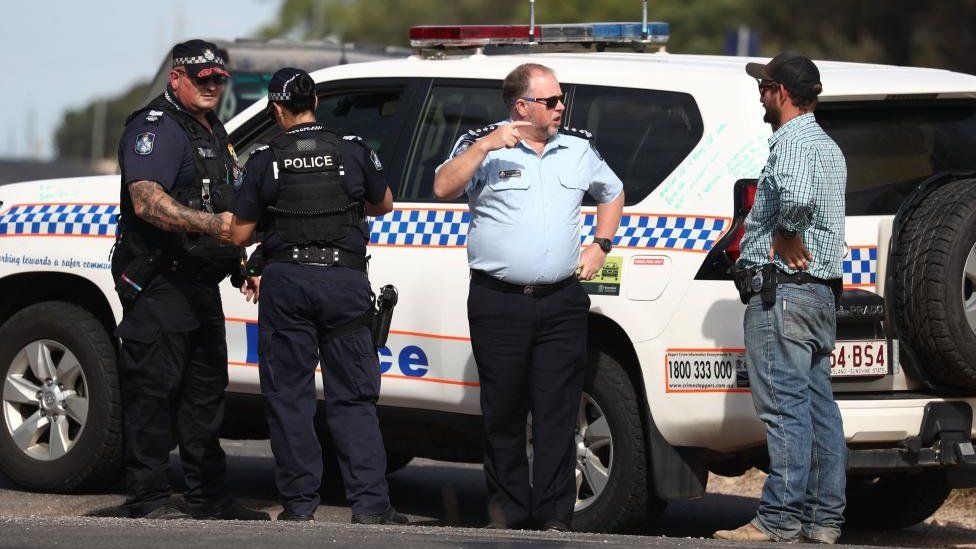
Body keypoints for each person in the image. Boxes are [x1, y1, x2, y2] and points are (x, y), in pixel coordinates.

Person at [432, 63, 624, 531]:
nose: (561, 107)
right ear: (522, 107)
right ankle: (509, 514)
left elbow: (613, 191)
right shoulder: (484, 146)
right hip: (499, 301)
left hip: (560, 302)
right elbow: (441, 186)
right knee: (504, 413)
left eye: (561, 100)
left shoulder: (577, 148)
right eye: (552, 101)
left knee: (558, 412)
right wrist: (483, 147)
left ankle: (555, 517)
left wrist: (601, 244)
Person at [230, 68, 405, 524]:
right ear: (316, 104)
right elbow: (384, 202)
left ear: (276, 110)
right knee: (354, 397)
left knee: (290, 396)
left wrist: (273, 226)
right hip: (344, 282)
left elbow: (238, 234)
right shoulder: (352, 150)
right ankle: (370, 506)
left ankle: (299, 505)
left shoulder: (266, 158)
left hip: (288, 284)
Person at [111, 39, 268, 521]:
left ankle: (207, 494)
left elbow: (223, 195)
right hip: (161, 282)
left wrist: (239, 258)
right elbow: (145, 200)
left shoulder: (211, 127)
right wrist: (212, 226)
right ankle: (149, 497)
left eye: (219, 80)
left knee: (204, 395)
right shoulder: (155, 127)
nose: (212, 87)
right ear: (176, 77)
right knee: (153, 394)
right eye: (202, 79)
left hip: (200, 284)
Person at [715, 51, 847, 544]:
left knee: (784, 409)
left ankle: (778, 519)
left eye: (764, 86)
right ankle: (823, 519)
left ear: (783, 94)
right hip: (818, 295)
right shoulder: (828, 145)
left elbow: (794, 196)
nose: (760, 95)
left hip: (784, 293)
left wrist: (787, 232)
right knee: (818, 409)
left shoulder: (791, 141)